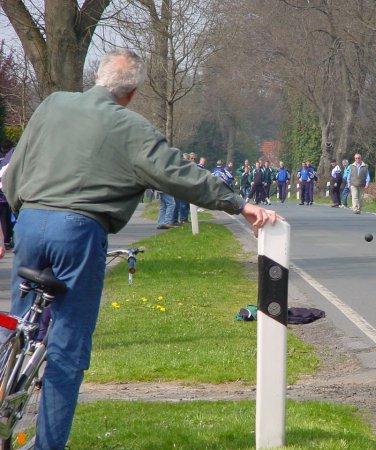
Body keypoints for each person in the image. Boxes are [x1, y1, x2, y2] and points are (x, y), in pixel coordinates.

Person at [1, 49, 277, 450]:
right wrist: (237, 203)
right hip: (78, 230)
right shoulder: (131, 127)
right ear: (131, 93)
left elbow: (17, 165)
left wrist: (18, 213)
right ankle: (48, 445)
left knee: (19, 324)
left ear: (97, 77)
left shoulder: (52, 104)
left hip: (29, 221)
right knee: (67, 348)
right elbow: (178, 174)